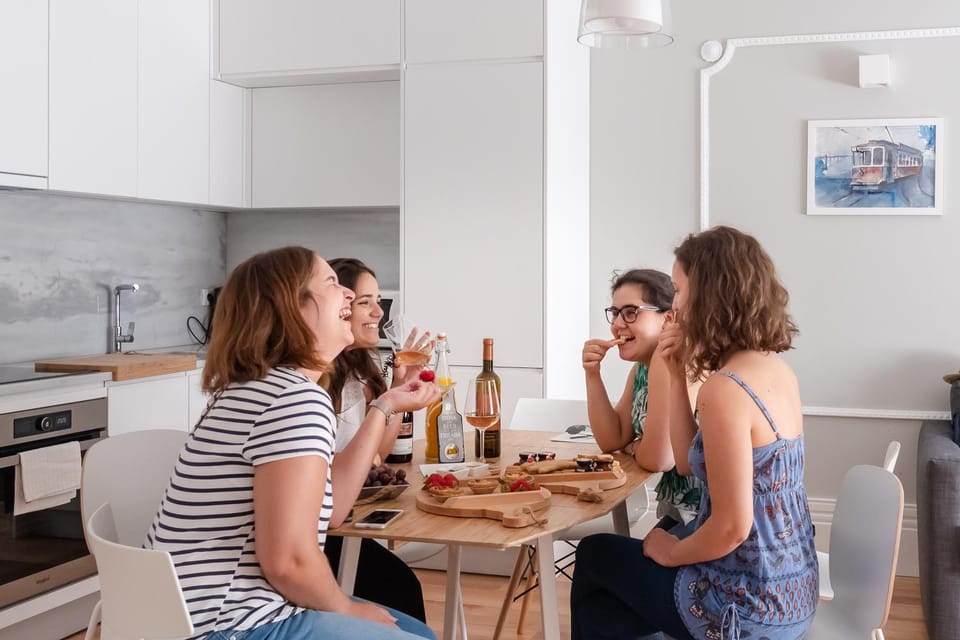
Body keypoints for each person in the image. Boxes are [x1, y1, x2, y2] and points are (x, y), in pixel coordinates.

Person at [145, 246, 440, 640]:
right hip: (231, 625)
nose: (350, 296)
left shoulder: (256, 388)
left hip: (187, 615)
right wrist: (346, 607)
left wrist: (386, 404)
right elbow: (287, 562)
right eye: (333, 284)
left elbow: (331, 510)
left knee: (415, 630)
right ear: (294, 310)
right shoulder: (294, 399)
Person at [571, 227, 819, 640]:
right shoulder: (774, 367)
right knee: (617, 584)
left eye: (680, 290)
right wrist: (674, 368)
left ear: (710, 294)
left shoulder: (727, 388)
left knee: (597, 555)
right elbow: (688, 462)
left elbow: (732, 528)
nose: (676, 306)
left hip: (746, 605)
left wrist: (673, 552)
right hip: (791, 587)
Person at [323, 257, 428, 622]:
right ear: (339, 308)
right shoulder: (308, 387)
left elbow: (376, 457)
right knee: (400, 589)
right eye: (365, 301)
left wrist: (398, 390)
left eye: (378, 301)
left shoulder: (362, 372)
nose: (378, 312)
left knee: (401, 588)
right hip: (323, 530)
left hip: (337, 520)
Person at [582, 268, 701, 530]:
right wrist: (592, 374)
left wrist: (635, 447)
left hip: (706, 519)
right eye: (614, 313)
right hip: (686, 514)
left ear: (668, 318)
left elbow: (659, 459)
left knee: (597, 554)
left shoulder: (666, 358)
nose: (617, 324)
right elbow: (612, 439)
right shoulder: (642, 368)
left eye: (630, 312)